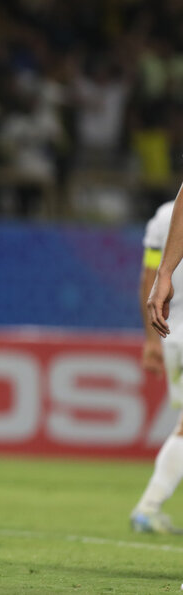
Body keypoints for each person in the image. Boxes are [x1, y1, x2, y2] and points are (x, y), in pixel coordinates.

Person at [132, 201, 183, 533]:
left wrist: (151, 340)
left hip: (172, 332)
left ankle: (148, 505)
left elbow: (149, 276)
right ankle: (148, 506)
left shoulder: (163, 216)